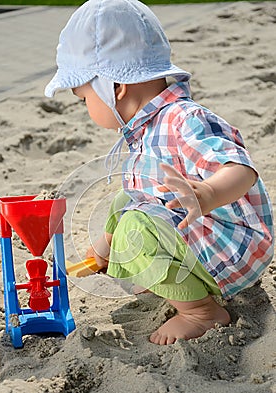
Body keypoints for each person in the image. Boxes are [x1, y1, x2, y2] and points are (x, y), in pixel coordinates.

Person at [45, 0, 274, 345]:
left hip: (232, 247)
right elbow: (143, 196)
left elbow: (241, 168)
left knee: (135, 229)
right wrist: (109, 243)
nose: (85, 107)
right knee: (129, 196)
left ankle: (201, 311)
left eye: (83, 98)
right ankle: (125, 257)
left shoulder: (185, 120)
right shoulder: (148, 125)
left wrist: (207, 194)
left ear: (115, 88)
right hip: (204, 237)